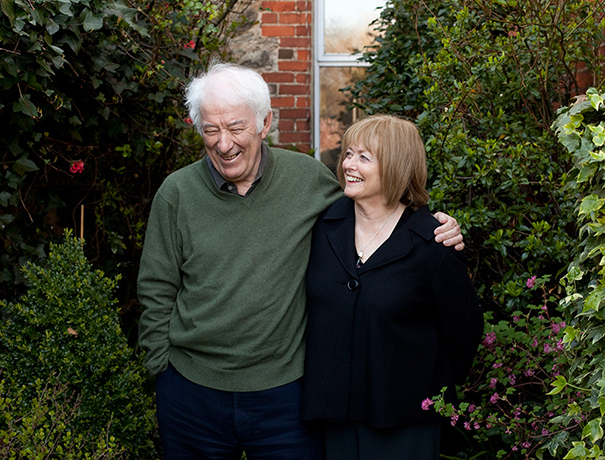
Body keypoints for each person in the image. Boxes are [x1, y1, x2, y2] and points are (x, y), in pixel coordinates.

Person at [137, 63, 465, 460]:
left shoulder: (309, 179)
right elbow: (156, 287)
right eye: (211, 130)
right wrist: (162, 371)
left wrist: (435, 225)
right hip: (192, 391)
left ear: (264, 123)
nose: (224, 144)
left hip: (287, 395)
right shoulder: (176, 193)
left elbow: (376, 209)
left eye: (236, 128)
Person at [302, 114, 484, 460]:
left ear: (397, 166)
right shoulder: (323, 227)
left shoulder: (432, 244)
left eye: (364, 157)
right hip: (331, 417)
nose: (348, 165)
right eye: (349, 153)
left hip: (404, 423)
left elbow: (465, 331)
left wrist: (421, 383)